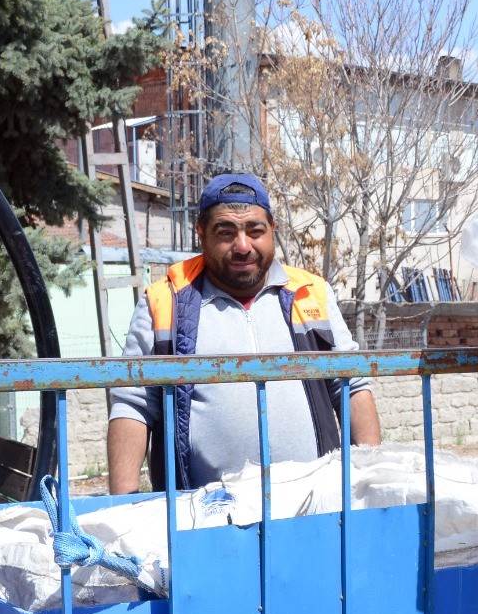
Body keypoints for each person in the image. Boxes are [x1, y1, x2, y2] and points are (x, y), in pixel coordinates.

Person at [107, 173, 380, 493]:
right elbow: (133, 406)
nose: (242, 246)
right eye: (225, 232)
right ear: (201, 234)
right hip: (201, 516)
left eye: (255, 231)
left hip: (314, 505)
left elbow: (352, 387)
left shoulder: (311, 294)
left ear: (272, 230)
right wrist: (124, 506)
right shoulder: (165, 301)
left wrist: (370, 481)